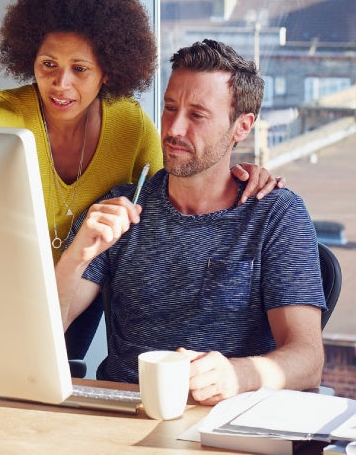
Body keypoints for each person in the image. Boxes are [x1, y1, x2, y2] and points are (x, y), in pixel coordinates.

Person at [0, 0, 284, 366]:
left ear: (107, 72)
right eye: (48, 64)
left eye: (80, 69)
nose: (60, 83)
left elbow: (177, 180)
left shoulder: (129, 125)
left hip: (71, 306)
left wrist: (242, 170)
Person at [54, 39, 325, 403]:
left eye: (197, 115)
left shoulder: (275, 215)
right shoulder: (120, 208)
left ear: (242, 126)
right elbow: (45, 330)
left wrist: (238, 375)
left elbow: (309, 359)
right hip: (123, 409)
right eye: (169, 108)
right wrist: (77, 256)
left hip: (222, 415)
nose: (174, 129)